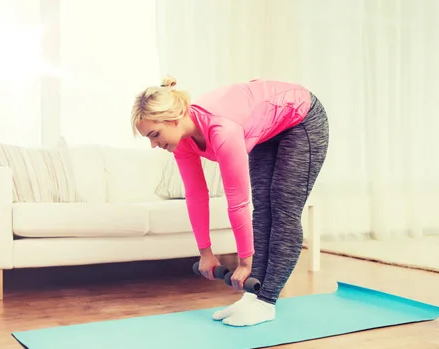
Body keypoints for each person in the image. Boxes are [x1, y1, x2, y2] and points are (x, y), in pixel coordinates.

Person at [131, 76, 329, 326]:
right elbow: (195, 196)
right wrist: (205, 253)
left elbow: (237, 201)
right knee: (263, 209)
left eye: (155, 134)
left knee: (283, 208)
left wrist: (245, 263)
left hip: (302, 119)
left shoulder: (222, 129)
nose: (153, 144)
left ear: (173, 119)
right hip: (268, 131)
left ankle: (266, 302)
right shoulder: (182, 142)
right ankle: (253, 296)